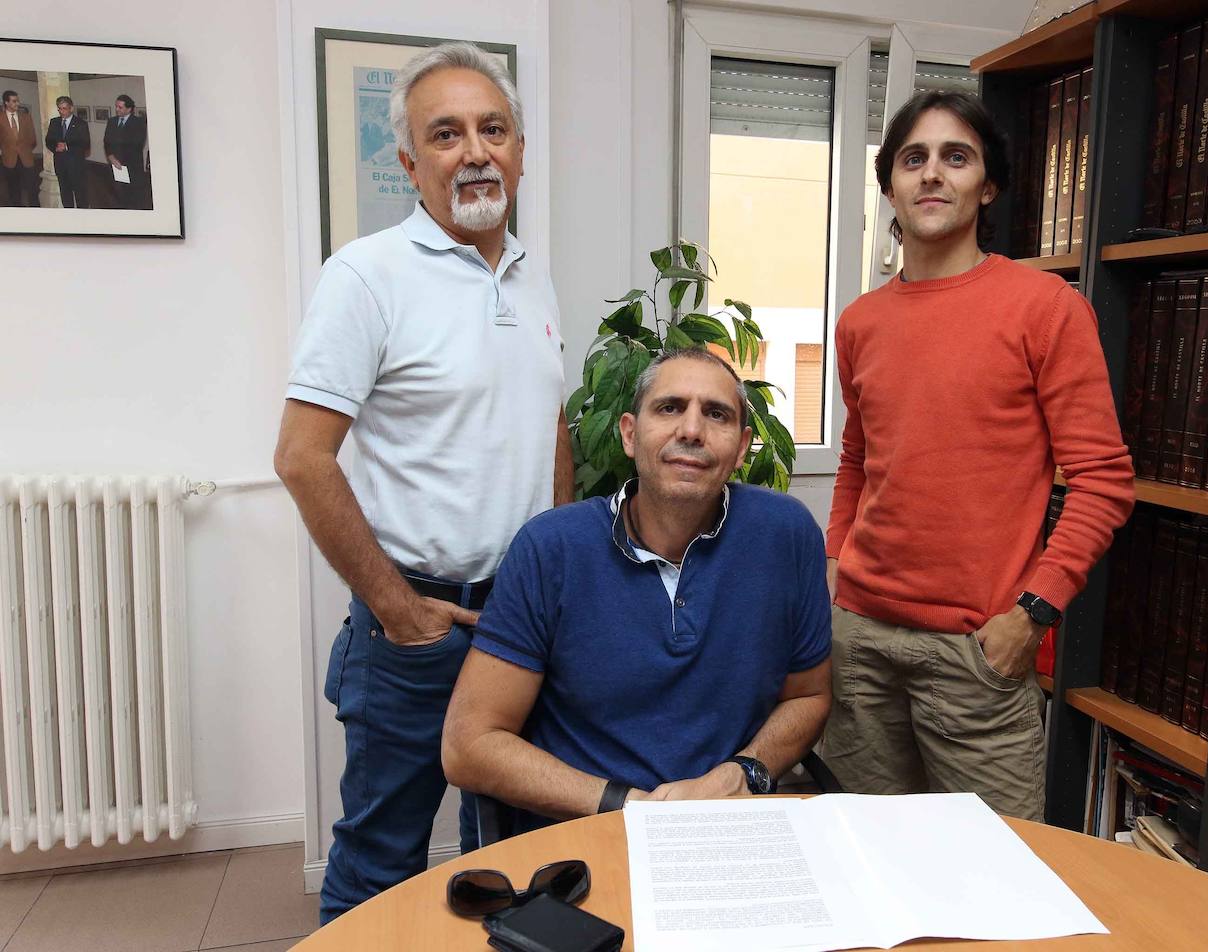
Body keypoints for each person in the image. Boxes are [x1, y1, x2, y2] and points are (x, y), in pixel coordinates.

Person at [274, 41, 571, 924]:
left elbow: (549, 427)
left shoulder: (534, 276)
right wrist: (399, 610)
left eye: (493, 130)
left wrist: (559, 574)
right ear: (410, 163)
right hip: (417, 631)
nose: (475, 151)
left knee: (512, 853)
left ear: (520, 150)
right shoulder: (366, 275)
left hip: (521, 622)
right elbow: (302, 457)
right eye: (446, 134)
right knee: (380, 861)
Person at [822, 91, 1134, 821]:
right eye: (913, 159)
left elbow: (1104, 480)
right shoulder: (860, 323)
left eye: (955, 157)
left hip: (977, 650)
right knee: (867, 854)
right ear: (890, 186)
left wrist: (1033, 612)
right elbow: (859, 460)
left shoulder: (1045, 307)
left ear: (987, 185)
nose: (932, 173)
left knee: (994, 870)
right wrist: (834, 565)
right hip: (860, 642)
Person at [442, 348, 832, 838]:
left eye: (717, 414)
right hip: (584, 831)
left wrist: (743, 772)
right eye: (670, 408)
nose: (692, 430)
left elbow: (809, 696)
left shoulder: (786, 535)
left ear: (741, 447)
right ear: (629, 434)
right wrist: (631, 807)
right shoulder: (552, 548)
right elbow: (469, 744)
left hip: (728, 828)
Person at [103, 95, 147, 209]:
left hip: (131, 166)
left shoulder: (138, 123)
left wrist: (120, 162)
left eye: (120, 107)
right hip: (114, 164)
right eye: (116, 106)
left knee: (131, 196)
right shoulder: (112, 121)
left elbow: (137, 145)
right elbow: (106, 142)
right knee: (116, 193)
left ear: (129, 109)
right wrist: (111, 157)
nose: (117, 109)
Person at [45, 96, 90, 208]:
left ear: (71, 108)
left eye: (64, 108)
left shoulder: (81, 124)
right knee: (65, 193)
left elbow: (85, 144)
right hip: (60, 164)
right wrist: (55, 147)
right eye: (59, 109)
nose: (62, 111)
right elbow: (48, 140)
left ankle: (82, 214)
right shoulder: (54, 122)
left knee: (80, 194)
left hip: (76, 165)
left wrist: (67, 146)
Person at [0, 91, 38, 207]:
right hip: (9, 160)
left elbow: (33, 139)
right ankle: (17, 210)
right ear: (6, 103)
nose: (18, 103)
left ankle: (36, 211)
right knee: (13, 190)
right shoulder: (0, 118)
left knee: (32, 188)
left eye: (18, 100)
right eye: (14, 101)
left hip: (26, 159)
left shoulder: (26, 117)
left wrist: (24, 150)